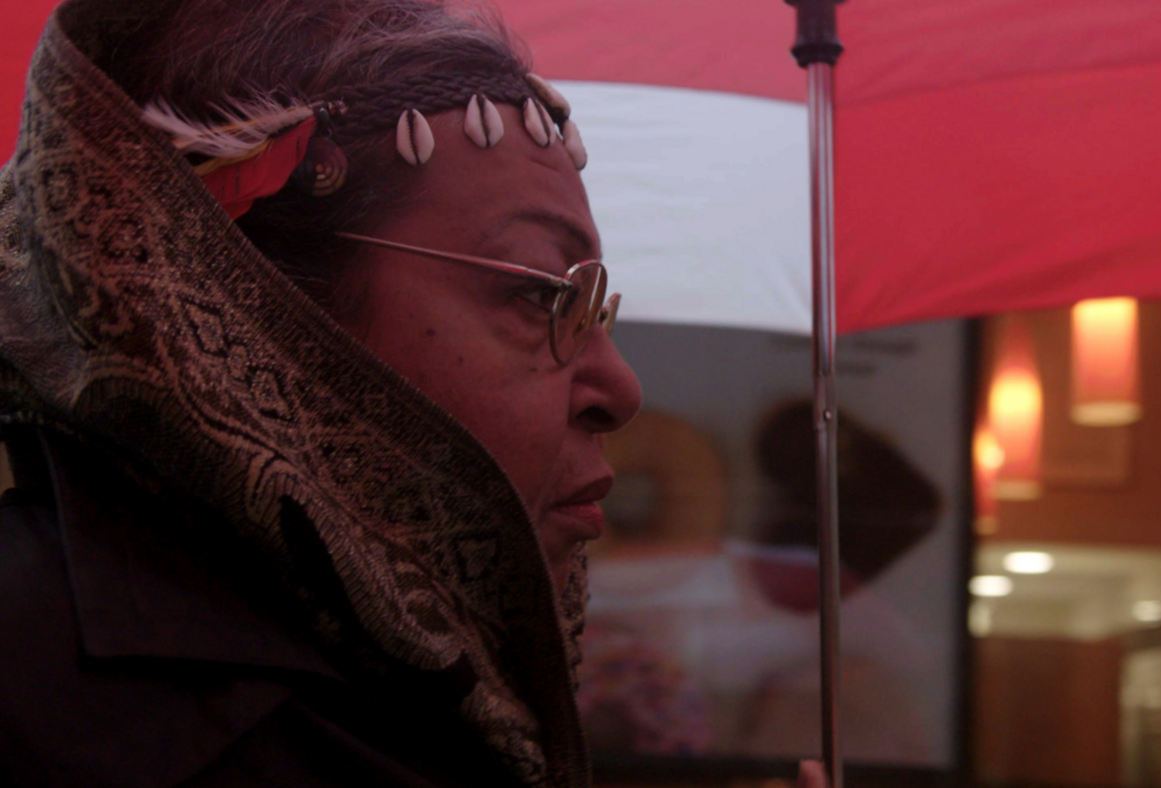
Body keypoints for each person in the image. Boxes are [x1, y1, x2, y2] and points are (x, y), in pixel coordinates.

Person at [0, 0, 829, 785]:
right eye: (544, 291)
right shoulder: (48, 691)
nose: (620, 388)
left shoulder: (396, 701)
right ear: (251, 310)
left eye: (593, 305)